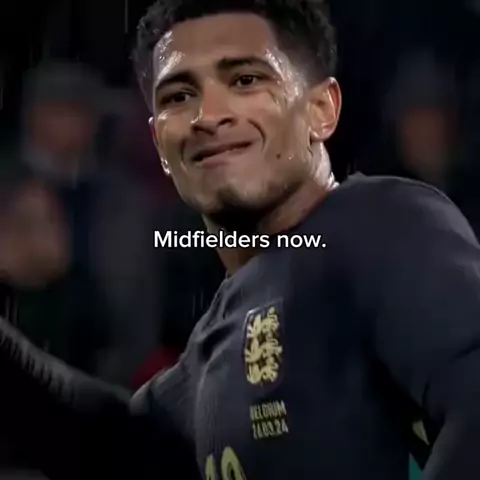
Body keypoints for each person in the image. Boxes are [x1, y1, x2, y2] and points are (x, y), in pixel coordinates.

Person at [2, 0, 480, 479]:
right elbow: (112, 447)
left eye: (246, 80)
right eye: (178, 96)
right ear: (160, 147)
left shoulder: (380, 226)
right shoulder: (216, 339)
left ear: (321, 110)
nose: (208, 115)